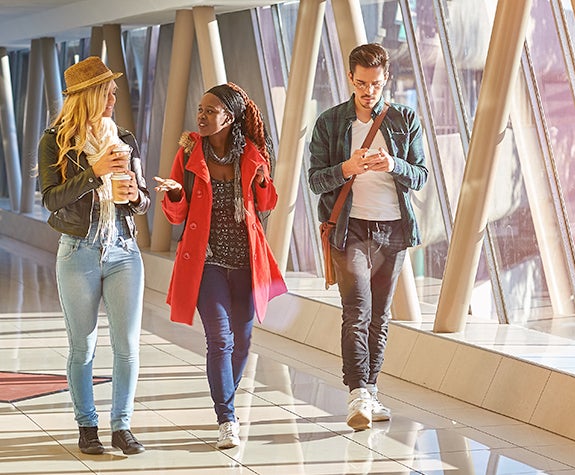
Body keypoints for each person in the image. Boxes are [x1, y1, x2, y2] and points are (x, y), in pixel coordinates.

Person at [154, 82, 287, 449]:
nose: (201, 115)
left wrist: (261, 181)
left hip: (246, 261)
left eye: (209, 111)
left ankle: (226, 399)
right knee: (220, 339)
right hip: (206, 260)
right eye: (200, 109)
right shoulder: (189, 152)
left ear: (229, 117)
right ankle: (226, 418)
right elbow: (176, 213)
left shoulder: (252, 153)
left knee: (242, 343)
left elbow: (266, 204)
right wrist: (177, 193)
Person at [308, 43, 428, 431]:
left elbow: (422, 176)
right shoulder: (330, 122)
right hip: (350, 227)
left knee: (381, 316)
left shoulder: (404, 119)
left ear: (386, 79)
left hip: (393, 229)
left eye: (375, 83)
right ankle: (357, 393)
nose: (368, 91)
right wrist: (346, 167)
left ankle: (371, 390)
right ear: (349, 78)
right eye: (361, 83)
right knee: (356, 310)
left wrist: (393, 164)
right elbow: (315, 180)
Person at [38, 56, 150, 455]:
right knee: (82, 346)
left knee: (128, 346)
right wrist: (93, 170)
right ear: (89, 95)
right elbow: (51, 200)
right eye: (109, 91)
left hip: (123, 249)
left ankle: (122, 426)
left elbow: (141, 201)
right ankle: (88, 426)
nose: (115, 98)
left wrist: (136, 196)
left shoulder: (125, 138)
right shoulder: (56, 141)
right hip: (78, 252)